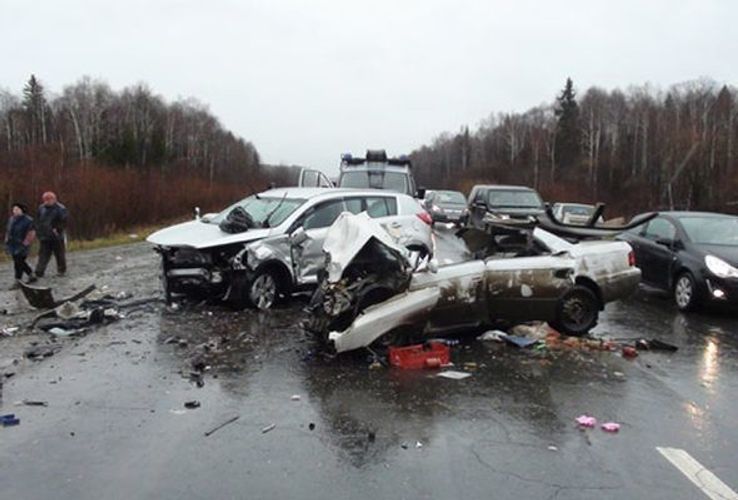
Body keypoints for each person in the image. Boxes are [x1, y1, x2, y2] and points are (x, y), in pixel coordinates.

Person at [34, 191, 68, 277]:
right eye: (45, 199)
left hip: (57, 236)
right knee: (43, 254)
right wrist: (38, 230)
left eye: (49, 199)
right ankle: (39, 271)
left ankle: (61, 270)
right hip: (44, 236)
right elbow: (37, 220)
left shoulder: (61, 208)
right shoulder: (41, 208)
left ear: (54, 199)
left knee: (59, 254)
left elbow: (64, 221)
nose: (47, 201)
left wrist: (58, 229)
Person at [4, 203, 37, 289]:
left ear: (22, 210)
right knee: (19, 261)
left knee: (18, 262)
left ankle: (18, 280)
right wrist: (7, 241)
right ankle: (31, 274)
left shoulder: (28, 220)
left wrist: (25, 243)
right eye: (14, 209)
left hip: (22, 244)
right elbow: (8, 231)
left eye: (17, 209)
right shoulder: (11, 219)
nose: (15, 211)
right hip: (13, 244)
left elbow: (31, 233)